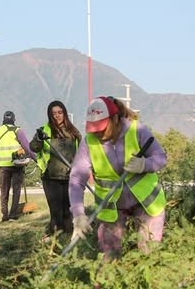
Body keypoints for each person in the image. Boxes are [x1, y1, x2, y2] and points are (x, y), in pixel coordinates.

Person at [69, 96, 167, 260]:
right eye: (93, 129)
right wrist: (78, 214)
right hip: (111, 208)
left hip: (147, 203)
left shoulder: (137, 131)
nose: (98, 133)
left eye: (101, 128)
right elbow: (76, 180)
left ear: (115, 119)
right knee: (109, 256)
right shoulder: (89, 142)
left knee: (148, 252)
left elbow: (160, 157)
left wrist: (144, 165)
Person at [30, 100, 82, 239]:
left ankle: (69, 236)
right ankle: (54, 237)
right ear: (49, 115)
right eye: (54, 114)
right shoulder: (44, 131)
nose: (57, 116)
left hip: (69, 177)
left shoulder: (74, 132)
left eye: (60, 113)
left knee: (68, 210)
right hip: (50, 177)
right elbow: (34, 147)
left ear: (64, 113)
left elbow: (81, 153)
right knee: (56, 211)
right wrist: (39, 140)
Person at [0, 110, 36, 222]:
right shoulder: (18, 130)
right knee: (16, 190)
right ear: (13, 119)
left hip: (3, 166)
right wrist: (36, 158)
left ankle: (5, 215)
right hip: (17, 165)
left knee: (4, 191)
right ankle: (13, 214)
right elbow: (27, 147)